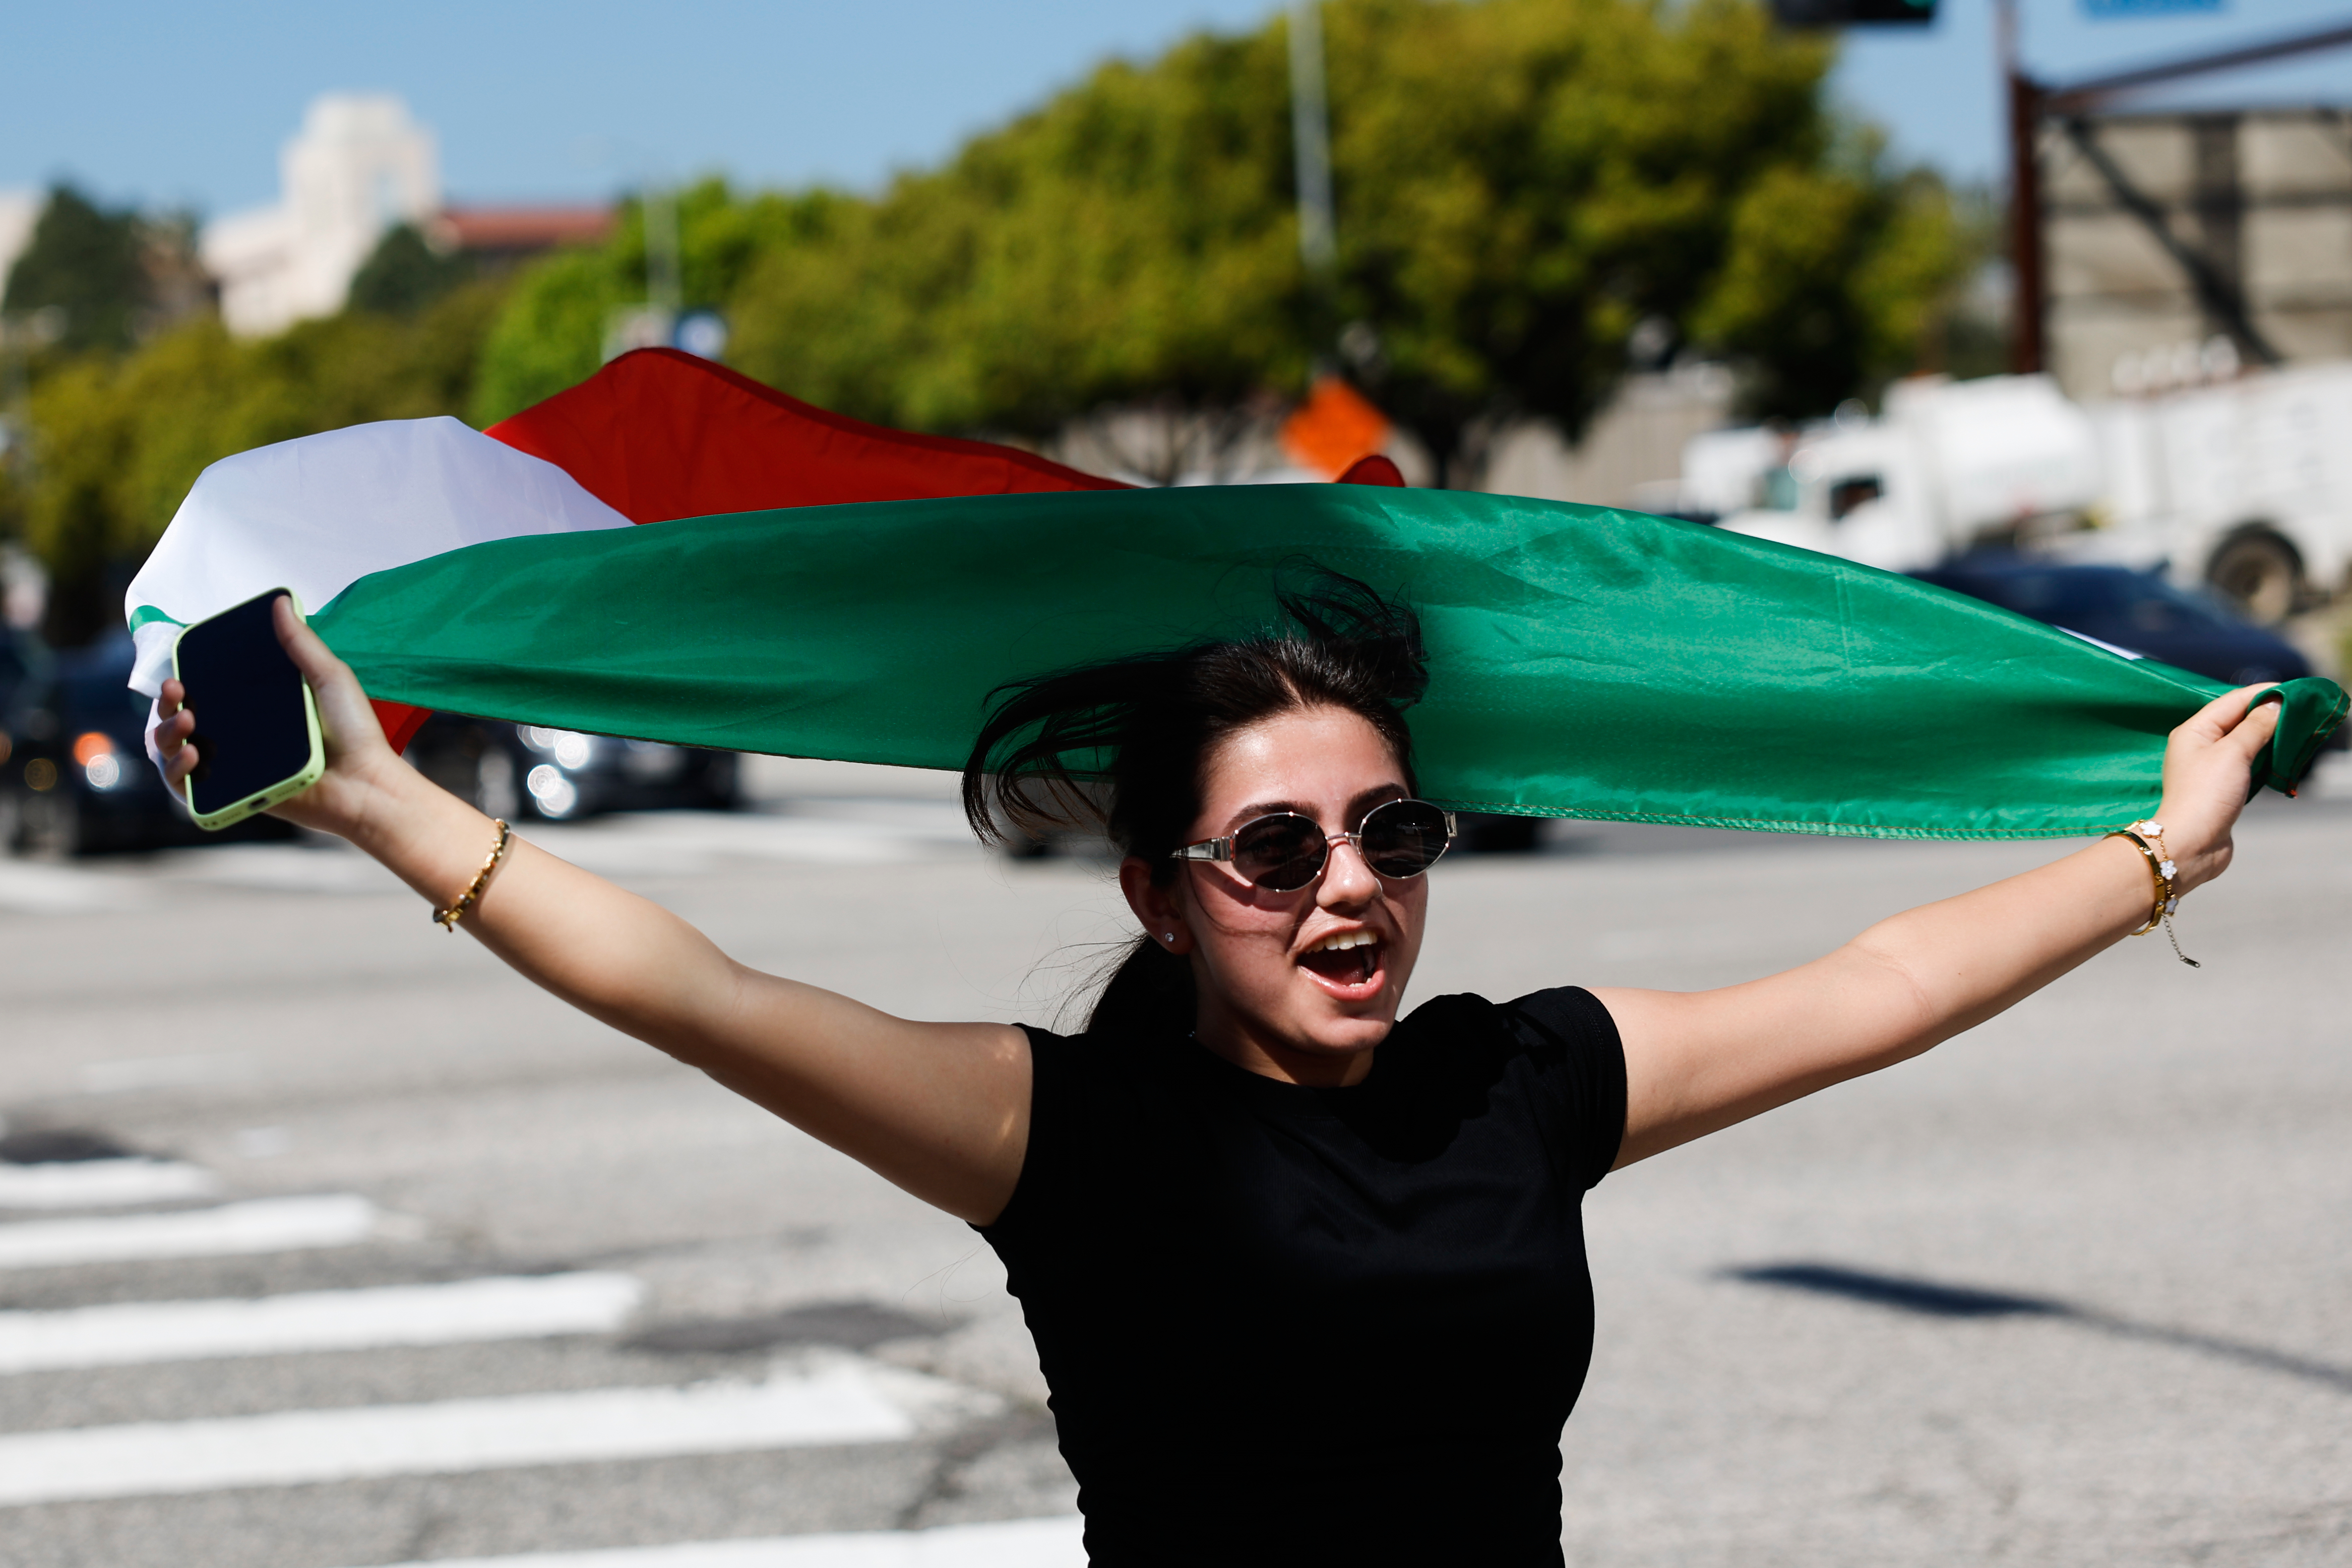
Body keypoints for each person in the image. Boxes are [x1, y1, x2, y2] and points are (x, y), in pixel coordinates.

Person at [152, 580, 2279, 1566]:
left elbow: (1879, 981)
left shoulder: (1511, 1085)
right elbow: (695, 990)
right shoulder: (1076, 1142)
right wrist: (383, 809)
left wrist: (2151, 853)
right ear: (1168, 895)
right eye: (1276, 847)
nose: (1348, 884)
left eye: (1391, 831)